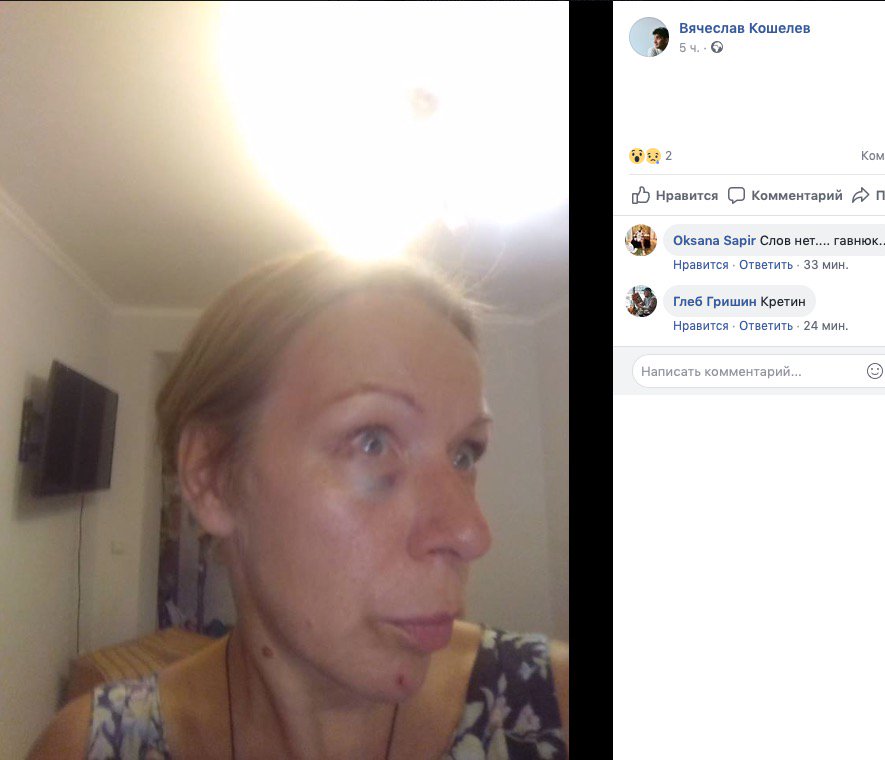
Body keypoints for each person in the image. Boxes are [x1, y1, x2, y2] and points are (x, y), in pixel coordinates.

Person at [28, 252, 569, 759]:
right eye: (372, 441)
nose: (471, 532)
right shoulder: (93, 746)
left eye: (465, 454)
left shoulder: (556, 706)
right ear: (211, 477)